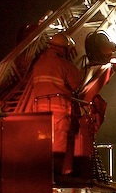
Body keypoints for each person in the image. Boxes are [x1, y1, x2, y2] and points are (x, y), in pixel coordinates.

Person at [25, 32, 84, 175]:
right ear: (63, 49)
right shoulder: (63, 64)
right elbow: (76, 84)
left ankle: (42, 175)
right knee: (58, 144)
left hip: (39, 113)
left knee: (43, 144)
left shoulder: (38, 64)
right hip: (58, 112)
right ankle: (56, 176)